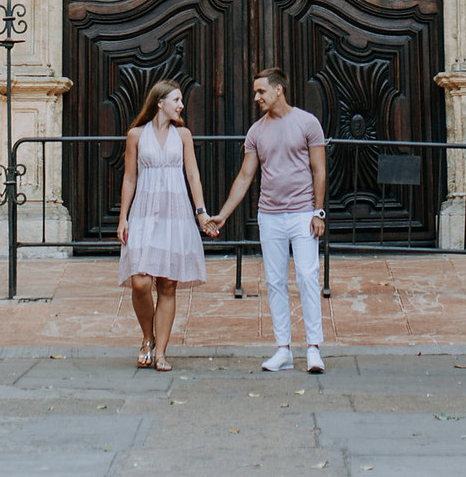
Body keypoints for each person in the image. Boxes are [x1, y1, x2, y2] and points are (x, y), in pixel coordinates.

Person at [207, 70, 327, 373]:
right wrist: (223, 213)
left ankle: (313, 348)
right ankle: (283, 349)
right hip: (270, 215)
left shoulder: (307, 122)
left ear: (279, 90)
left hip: (302, 214)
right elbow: (246, 176)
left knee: (307, 277)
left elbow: (319, 170)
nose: (256, 98)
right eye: (255, 92)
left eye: (261, 91)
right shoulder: (256, 132)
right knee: (275, 282)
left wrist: (318, 211)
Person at [117, 79, 213, 373]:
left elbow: (193, 176)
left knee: (168, 284)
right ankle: (147, 337)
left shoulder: (183, 135)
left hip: (175, 214)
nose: (181, 105)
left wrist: (201, 214)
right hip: (145, 213)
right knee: (141, 281)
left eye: (180, 100)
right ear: (160, 102)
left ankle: (160, 352)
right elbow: (130, 177)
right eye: (176, 100)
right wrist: (123, 217)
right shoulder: (135, 135)